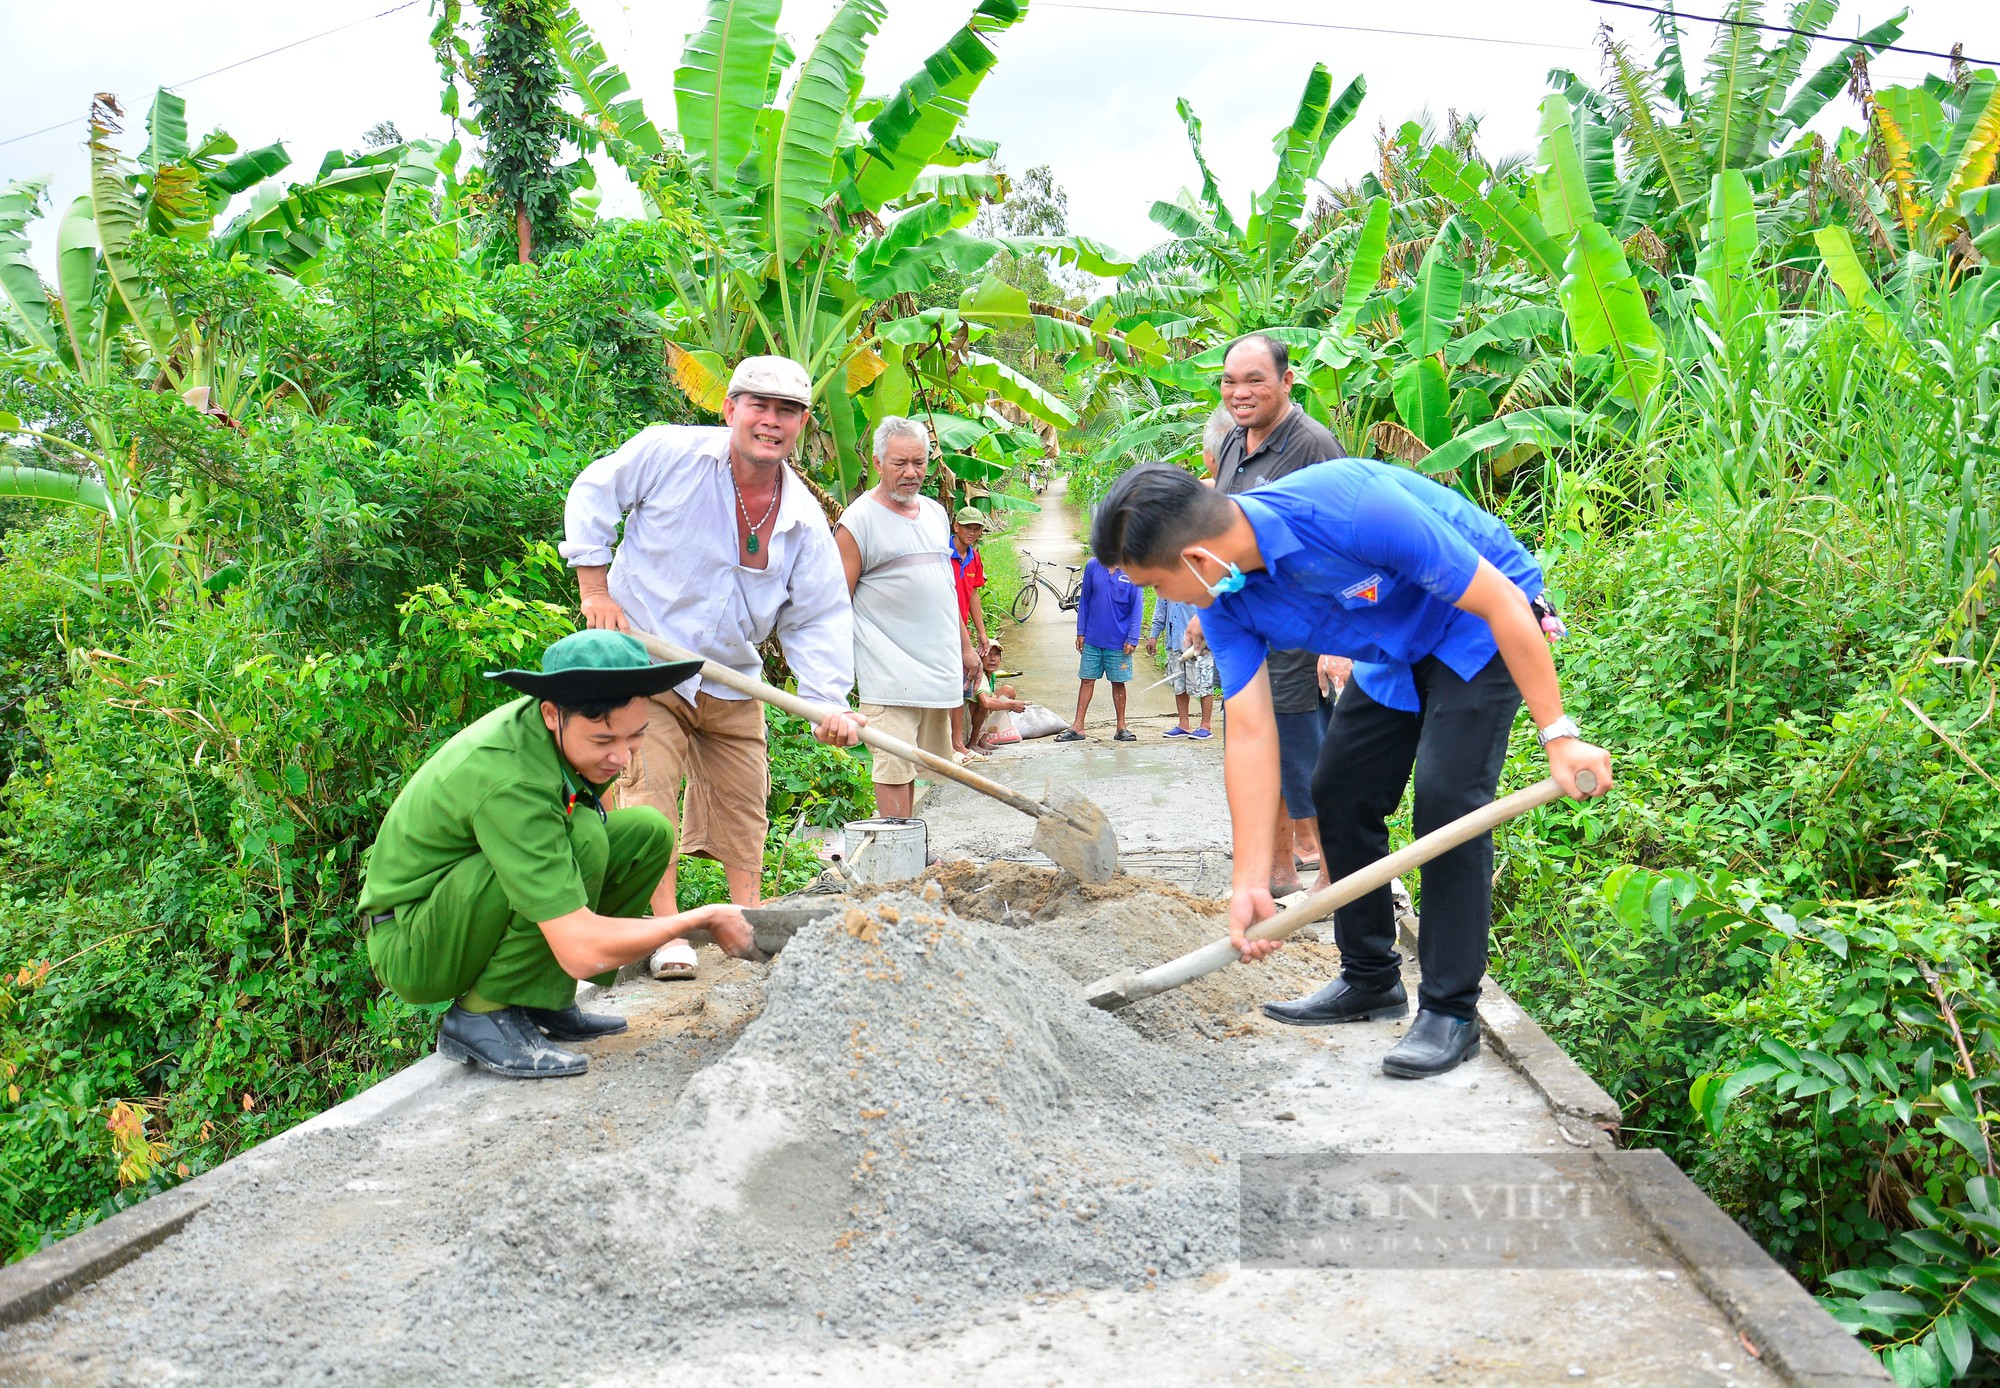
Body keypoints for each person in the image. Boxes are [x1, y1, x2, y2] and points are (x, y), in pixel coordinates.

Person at [1091, 462, 1612, 1080]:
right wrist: (1249, 881)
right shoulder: (1228, 600)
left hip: (1477, 621)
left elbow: (1500, 599)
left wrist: (1559, 736)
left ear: (1199, 559)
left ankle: (1451, 1011)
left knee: (1449, 803)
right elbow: (1253, 732)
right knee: (1338, 788)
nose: (1164, 600)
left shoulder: (1348, 506)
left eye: (1157, 584)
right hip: (1395, 646)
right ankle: (1370, 978)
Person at [356, 631, 780, 1079]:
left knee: (646, 833)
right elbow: (580, 950)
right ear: (552, 714)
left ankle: (539, 998)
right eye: (603, 741)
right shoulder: (514, 779)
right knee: (582, 838)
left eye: (636, 735)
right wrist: (697, 921)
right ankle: (481, 1014)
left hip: (459, 907)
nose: (620, 756)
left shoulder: (557, 738)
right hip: (414, 939)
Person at [561, 355, 859, 979]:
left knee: (744, 797)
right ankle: (664, 930)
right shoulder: (669, 454)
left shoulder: (804, 521)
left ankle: (745, 922)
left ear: (802, 423)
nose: (771, 422)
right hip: (647, 657)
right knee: (647, 791)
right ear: (730, 409)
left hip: (729, 672)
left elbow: (817, 617)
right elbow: (595, 491)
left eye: (787, 412)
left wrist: (828, 700)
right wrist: (595, 589)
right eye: (759, 406)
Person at [1210, 332, 1350, 898]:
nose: (1239, 393)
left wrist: (1339, 643)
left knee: (1304, 759)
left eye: (1254, 380)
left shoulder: (1312, 444)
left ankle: (1339, 883)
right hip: (1249, 630)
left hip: (1303, 631)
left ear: (1287, 381)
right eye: (1229, 381)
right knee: (1256, 754)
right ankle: (1277, 874)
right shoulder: (1232, 443)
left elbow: (1349, 539)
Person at [835, 418, 981, 820]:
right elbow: (834, 605)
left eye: (919, 462)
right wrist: (833, 681)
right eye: (900, 463)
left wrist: (966, 648)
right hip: (888, 672)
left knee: (919, 765)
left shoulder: (935, 514)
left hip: (936, 668)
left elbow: (945, 588)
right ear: (878, 462)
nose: (911, 472)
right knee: (893, 766)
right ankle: (897, 853)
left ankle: (909, 848)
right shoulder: (857, 522)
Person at [1055, 556, 1142, 743]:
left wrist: (1132, 637)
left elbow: (1137, 607)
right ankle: (1078, 726)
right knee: (1086, 680)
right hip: (1093, 638)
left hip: (1119, 641)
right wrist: (1081, 630)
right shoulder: (1094, 565)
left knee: (1118, 683)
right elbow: (1084, 600)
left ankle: (1121, 727)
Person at [948, 507, 992, 758]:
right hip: (943, 628)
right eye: (968, 527)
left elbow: (974, 593)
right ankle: (953, 743)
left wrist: (981, 632)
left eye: (977, 528)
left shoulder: (974, 557)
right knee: (951, 684)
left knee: (960, 685)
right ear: (956, 526)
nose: (973, 532)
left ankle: (957, 742)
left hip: (962, 630)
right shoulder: (943, 555)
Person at [1146, 597, 1215, 738]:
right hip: (1175, 641)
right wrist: (1154, 635)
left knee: (1204, 682)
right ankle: (1184, 724)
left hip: (1198, 641)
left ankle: (1205, 725)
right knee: (1179, 684)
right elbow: (1161, 609)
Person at [966, 641, 1027, 750]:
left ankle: (982, 740)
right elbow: (985, 703)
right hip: (964, 722)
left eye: (996, 655)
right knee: (984, 705)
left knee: (1008, 691)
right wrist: (1011, 704)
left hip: (970, 719)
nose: (993, 658)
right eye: (988, 654)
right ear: (979, 658)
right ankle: (972, 743)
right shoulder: (979, 675)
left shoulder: (991, 676)